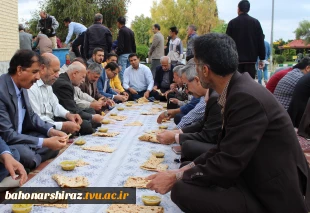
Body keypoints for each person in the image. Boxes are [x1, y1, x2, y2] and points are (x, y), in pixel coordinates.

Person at [146, 33, 310, 213]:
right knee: (187, 175)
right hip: (254, 178)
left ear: (205, 70)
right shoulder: (238, 89)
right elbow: (223, 147)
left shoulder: (244, 97)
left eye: (197, 65)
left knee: (182, 189)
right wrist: (185, 170)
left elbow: (228, 162)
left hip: (270, 194)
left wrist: (177, 177)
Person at [0, 50, 68, 169]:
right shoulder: (2, 91)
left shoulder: (23, 85)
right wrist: (45, 142)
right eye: (35, 72)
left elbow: (32, 116)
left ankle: (31, 160)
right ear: (20, 70)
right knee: (29, 155)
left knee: (55, 145)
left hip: (22, 136)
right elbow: (8, 135)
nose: (38, 77)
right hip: (7, 142)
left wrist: (51, 131)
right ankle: (29, 161)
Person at [28, 53, 83, 134]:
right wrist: (61, 126)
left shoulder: (48, 84)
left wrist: (68, 115)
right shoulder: (31, 88)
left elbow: (56, 105)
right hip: (39, 129)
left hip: (51, 123)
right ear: (43, 68)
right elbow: (37, 120)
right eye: (55, 71)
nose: (57, 75)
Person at [52, 61, 105, 134]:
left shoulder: (68, 81)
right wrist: (92, 117)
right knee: (86, 125)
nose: (83, 80)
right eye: (83, 77)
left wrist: (93, 104)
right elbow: (73, 109)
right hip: (59, 118)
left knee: (90, 111)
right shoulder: (64, 84)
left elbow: (79, 98)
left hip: (67, 112)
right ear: (74, 74)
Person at [226, 0, 265, 79]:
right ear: (248, 9)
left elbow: (227, 42)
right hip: (251, 60)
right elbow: (260, 41)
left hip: (236, 60)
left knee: (236, 83)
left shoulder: (232, 23)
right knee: (249, 83)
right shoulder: (255, 22)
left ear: (238, 9)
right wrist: (262, 58)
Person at [116, 17, 136, 83]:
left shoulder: (121, 31)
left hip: (123, 54)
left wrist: (117, 53)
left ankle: (124, 87)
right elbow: (134, 44)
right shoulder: (131, 31)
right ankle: (129, 85)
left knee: (122, 72)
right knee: (129, 72)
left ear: (118, 23)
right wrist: (134, 54)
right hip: (130, 54)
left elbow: (120, 44)